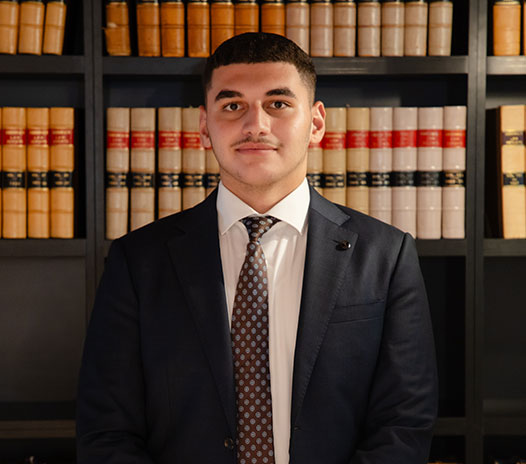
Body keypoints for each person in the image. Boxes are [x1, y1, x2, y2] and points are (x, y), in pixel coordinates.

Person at [76, 32, 438, 464]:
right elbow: (106, 430)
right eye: (232, 106)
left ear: (316, 124)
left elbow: (404, 424)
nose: (256, 125)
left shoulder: (387, 255)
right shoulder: (138, 261)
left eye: (278, 103)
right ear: (204, 127)